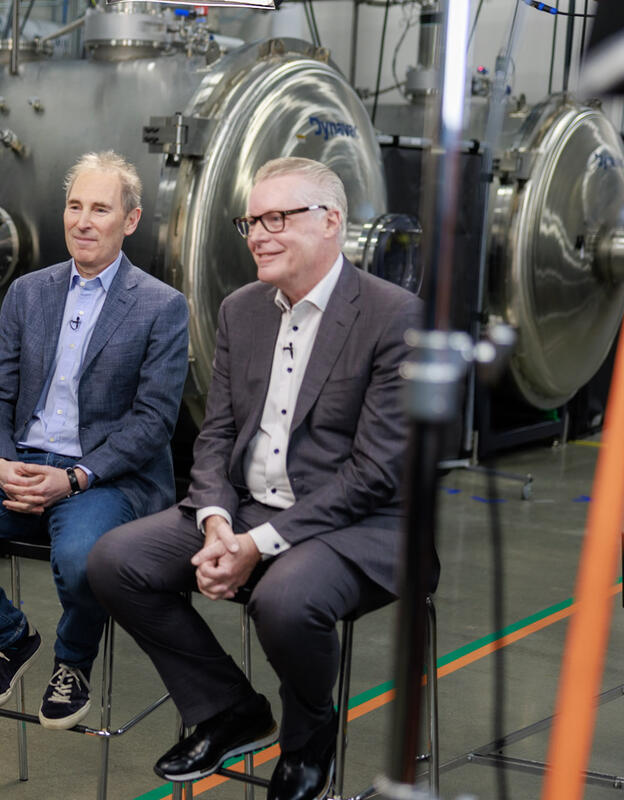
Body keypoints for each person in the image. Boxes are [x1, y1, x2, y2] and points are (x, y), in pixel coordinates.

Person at [88, 157, 436, 800]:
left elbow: (373, 474)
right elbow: (216, 432)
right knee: (114, 560)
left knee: (284, 600)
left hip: (359, 526)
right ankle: (229, 707)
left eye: (279, 217)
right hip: (247, 508)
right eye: (251, 220)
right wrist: (218, 522)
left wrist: (253, 548)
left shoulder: (394, 316)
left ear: (332, 222)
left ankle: (310, 741)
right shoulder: (242, 309)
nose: (258, 234)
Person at [0, 151, 189, 731]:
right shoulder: (29, 293)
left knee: (84, 561)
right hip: (21, 463)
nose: (83, 220)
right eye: (74, 206)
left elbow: (152, 422)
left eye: (100, 209)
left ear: (129, 221)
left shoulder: (162, 305)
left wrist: (75, 478)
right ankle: (9, 639)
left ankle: (72, 663)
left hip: (102, 476)